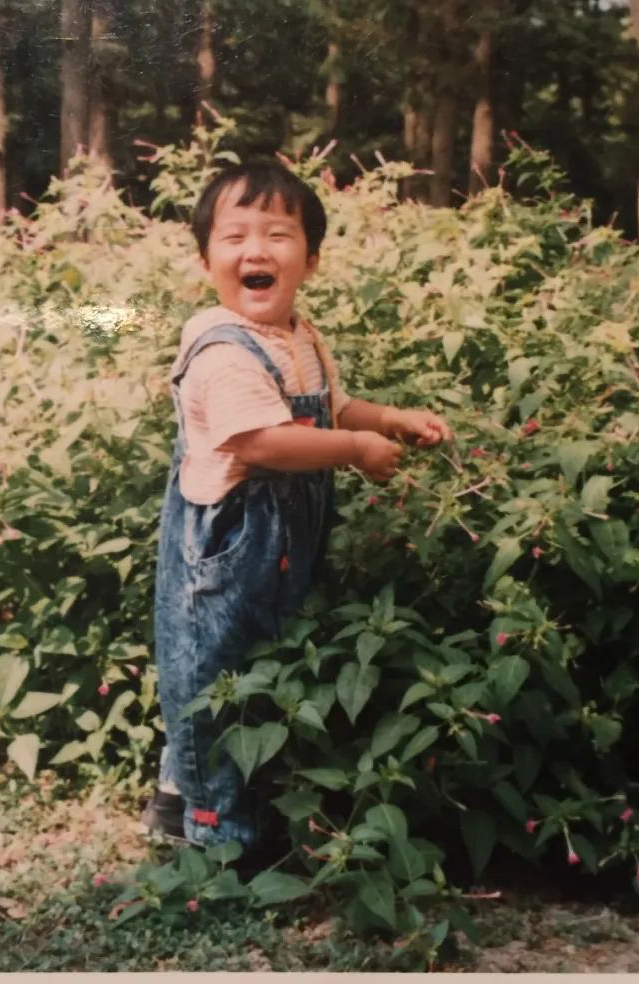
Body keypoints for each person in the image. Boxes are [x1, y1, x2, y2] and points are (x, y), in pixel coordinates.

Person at [143, 160, 453, 857]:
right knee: (212, 676)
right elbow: (263, 442)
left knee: (266, 668)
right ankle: (218, 838)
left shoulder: (300, 338)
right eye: (235, 237)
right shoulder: (223, 351)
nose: (256, 250)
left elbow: (332, 408)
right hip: (224, 551)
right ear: (205, 259)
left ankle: (190, 793)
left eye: (278, 235)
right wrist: (356, 450)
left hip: (280, 548)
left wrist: (389, 419)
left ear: (310, 259)